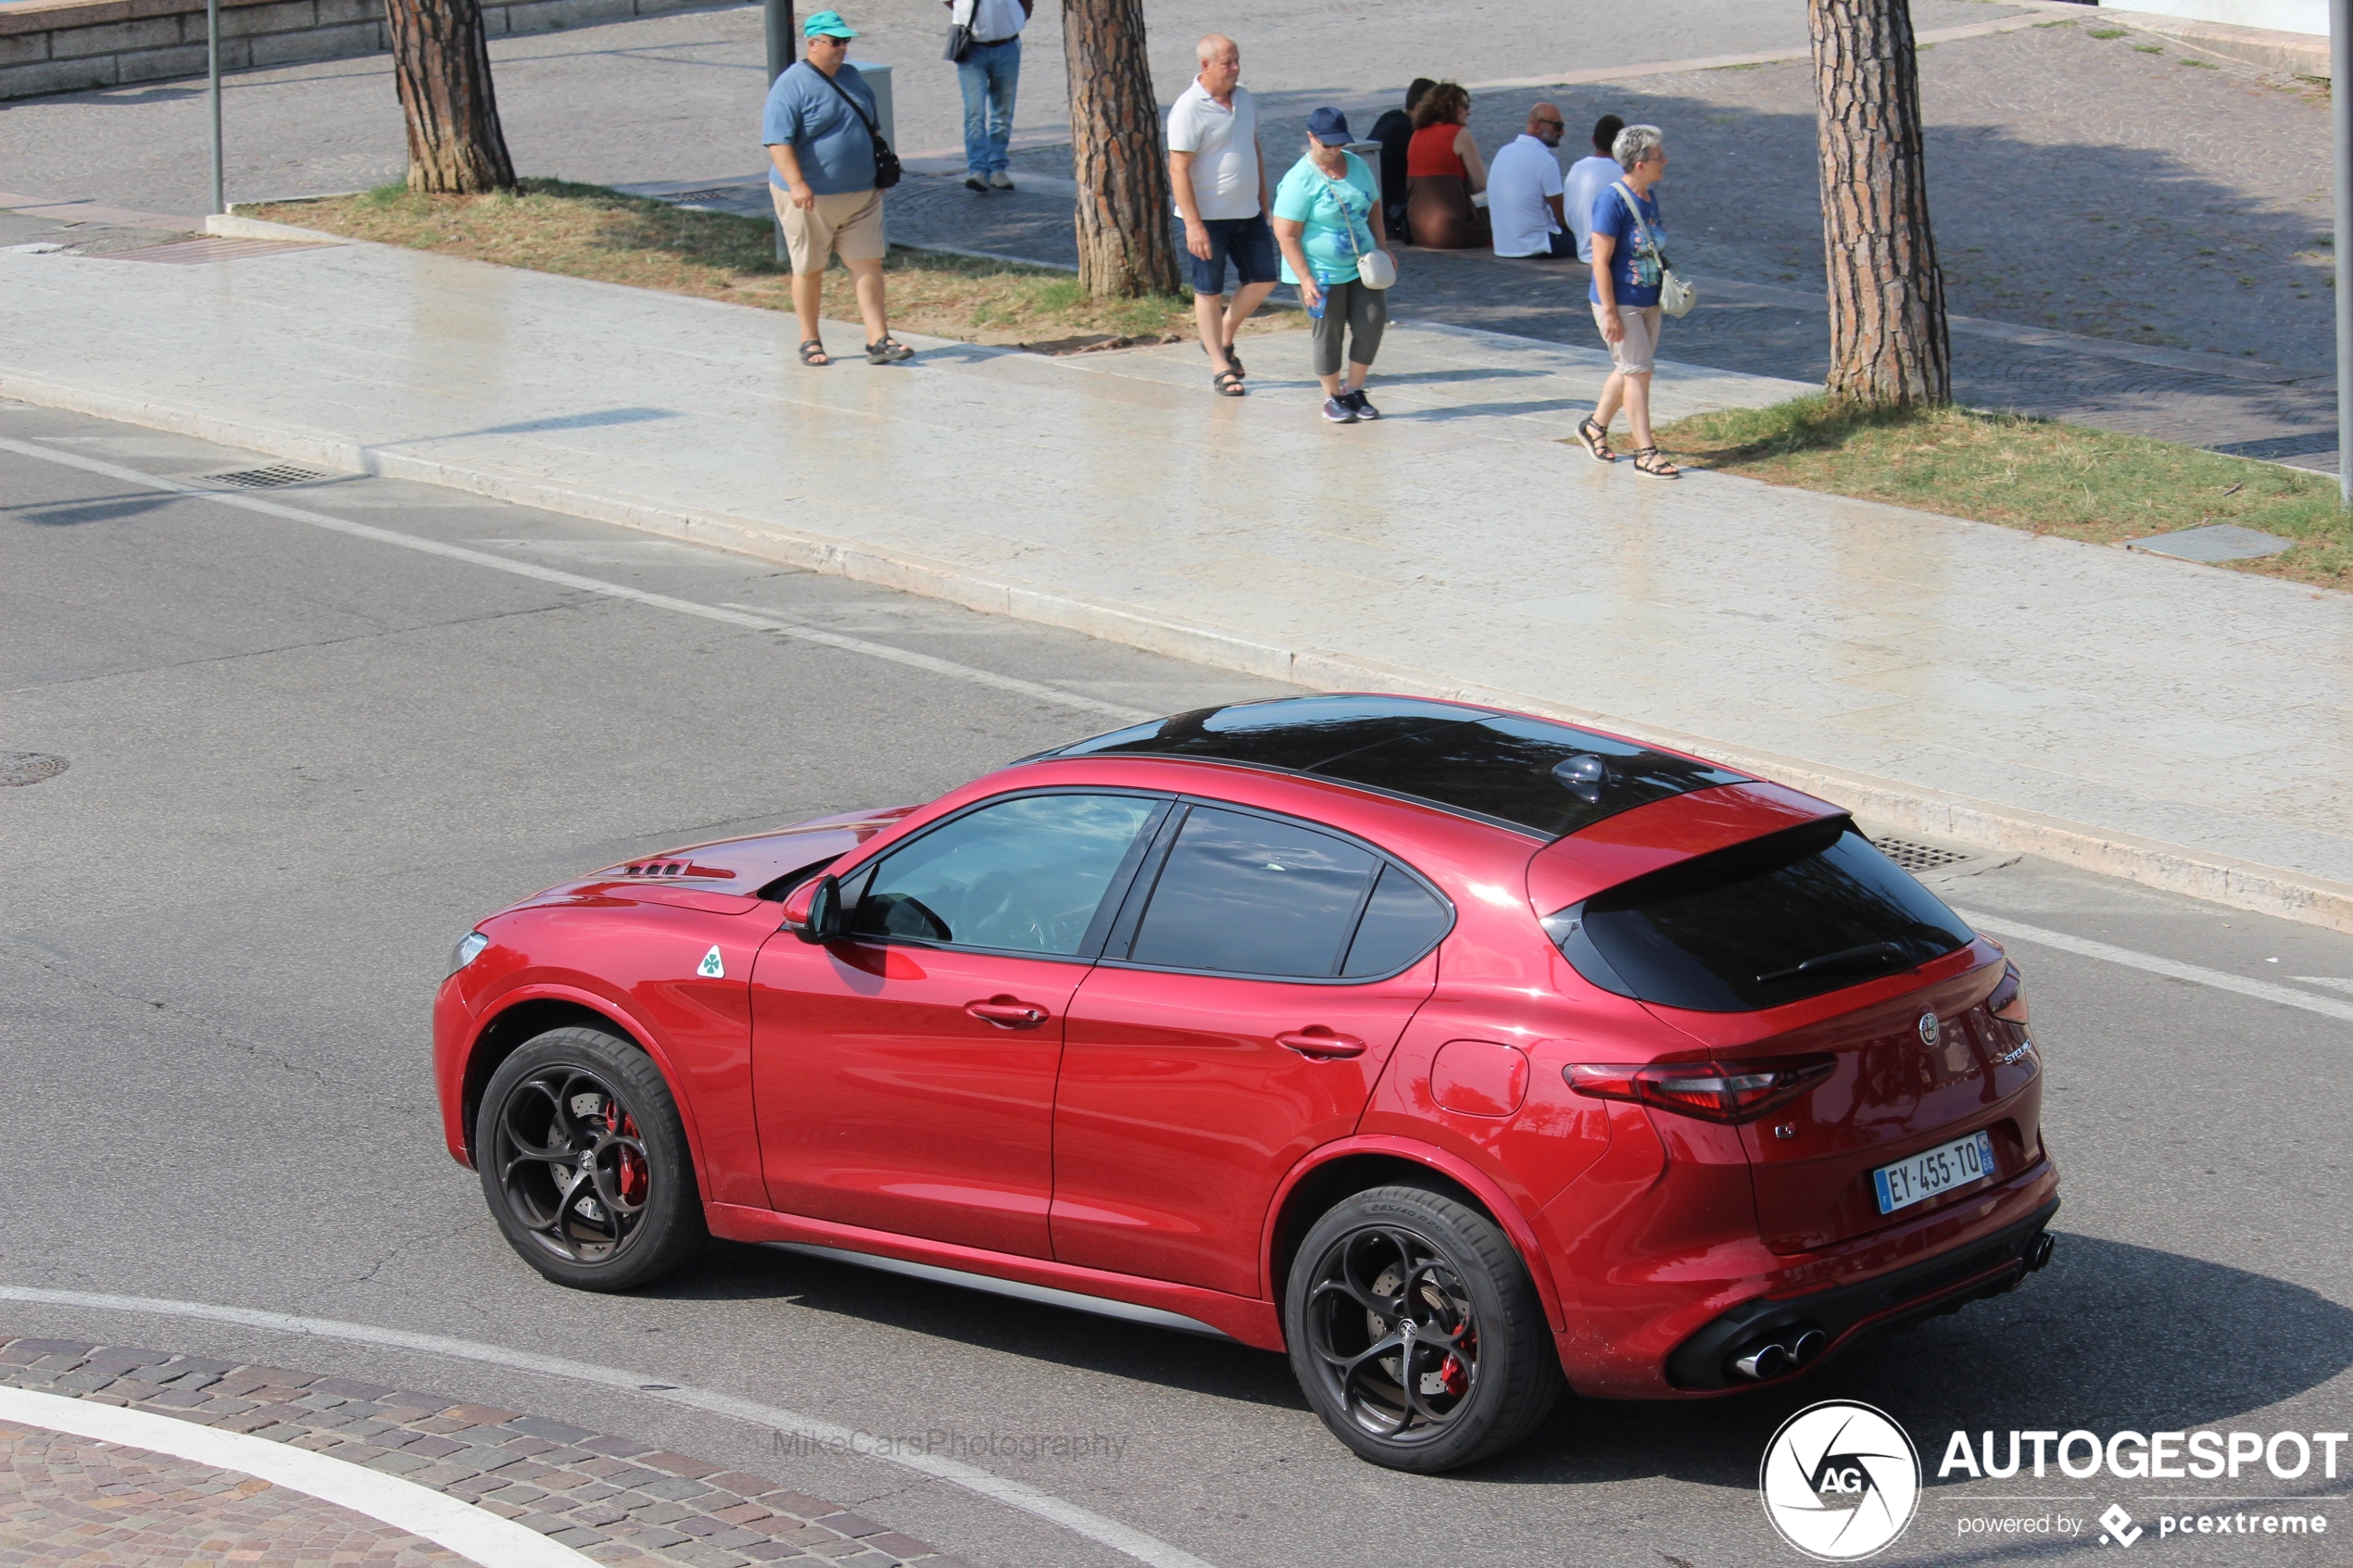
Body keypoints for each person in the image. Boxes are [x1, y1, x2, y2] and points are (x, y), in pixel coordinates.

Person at [762, 10, 911, 367]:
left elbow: (872, 129)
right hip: (810, 198)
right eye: (835, 42)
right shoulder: (791, 84)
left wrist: (879, 174)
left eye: (846, 41)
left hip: (861, 195)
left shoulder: (854, 78)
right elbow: (777, 142)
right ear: (813, 44)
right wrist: (798, 184)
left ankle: (878, 339)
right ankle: (810, 339)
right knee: (810, 267)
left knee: (868, 264)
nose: (842, 48)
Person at [1168, 33, 1277, 396]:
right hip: (1208, 217)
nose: (1235, 68)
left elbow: (1253, 146)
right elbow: (1178, 169)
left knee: (1264, 278)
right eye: (1227, 62)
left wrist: (1264, 198)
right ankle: (1219, 364)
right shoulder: (1188, 108)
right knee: (1208, 289)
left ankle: (1224, 335)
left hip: (1248, 212)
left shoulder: (1244, 97)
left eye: (1237, 60)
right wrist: (1193, 223)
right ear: (1206, 66)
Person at [1271, 107, 1394, 425]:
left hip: (1362, 266)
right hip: (1320, 272)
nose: (1334, 150)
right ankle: (1331, 397)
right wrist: (1305, 278)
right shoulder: (1300, 179)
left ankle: (1354, 389)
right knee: (1329, 332)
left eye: (1340, 143)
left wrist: (1383, 247)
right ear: (1311, 138)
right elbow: (1286, 234)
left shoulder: (1357, 166)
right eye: (1328, 144)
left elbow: (1375, 206)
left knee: (1372, 320)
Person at [1579, 123, 1678, 478]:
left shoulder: (1649, 196)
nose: (1664, 161)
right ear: (1639, 164)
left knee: (1630, 369)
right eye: (1658, 157)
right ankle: (1645, 452)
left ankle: (1593, 427)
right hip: (1620, 301)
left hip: (1648, 298)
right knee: (1639, 373)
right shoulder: (1612, 200)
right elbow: (1600, 261)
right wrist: (1609, 313)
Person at [947, 0, 1029, 193]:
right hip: (972, 48)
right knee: (974, 112)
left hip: (1007, 45)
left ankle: (997, 168)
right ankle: (978, 170)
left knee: (1003, 110)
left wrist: (1020, 16)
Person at [1403, 81, 1489, 249]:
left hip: (1419, 231)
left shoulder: (1416, 134)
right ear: (1449, 106)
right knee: (1503, 214)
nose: (1469, 112)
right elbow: (1481, 183)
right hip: (1450, 231)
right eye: (1464, 106)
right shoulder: (1460, 135)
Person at [1489, 103, 1570, 259]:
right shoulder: (1546, 161)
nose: (1562, 132)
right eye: (1557, 126)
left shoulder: (1503, 152)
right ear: (1536, 125)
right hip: (1538, 244)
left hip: (1504, 245)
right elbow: (1563, 219)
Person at [1367, 78, 1434, 241]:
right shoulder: (1408, 132)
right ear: (1420, 107)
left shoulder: (1390, 117)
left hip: (1373, 203)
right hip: (1391, 212)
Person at [1562, 112, 1625, 263]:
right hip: (1611, 255)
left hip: (1582, 248)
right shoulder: (1622, 173)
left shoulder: (1576, 168)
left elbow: (1568, 215)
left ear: (1594, 140)